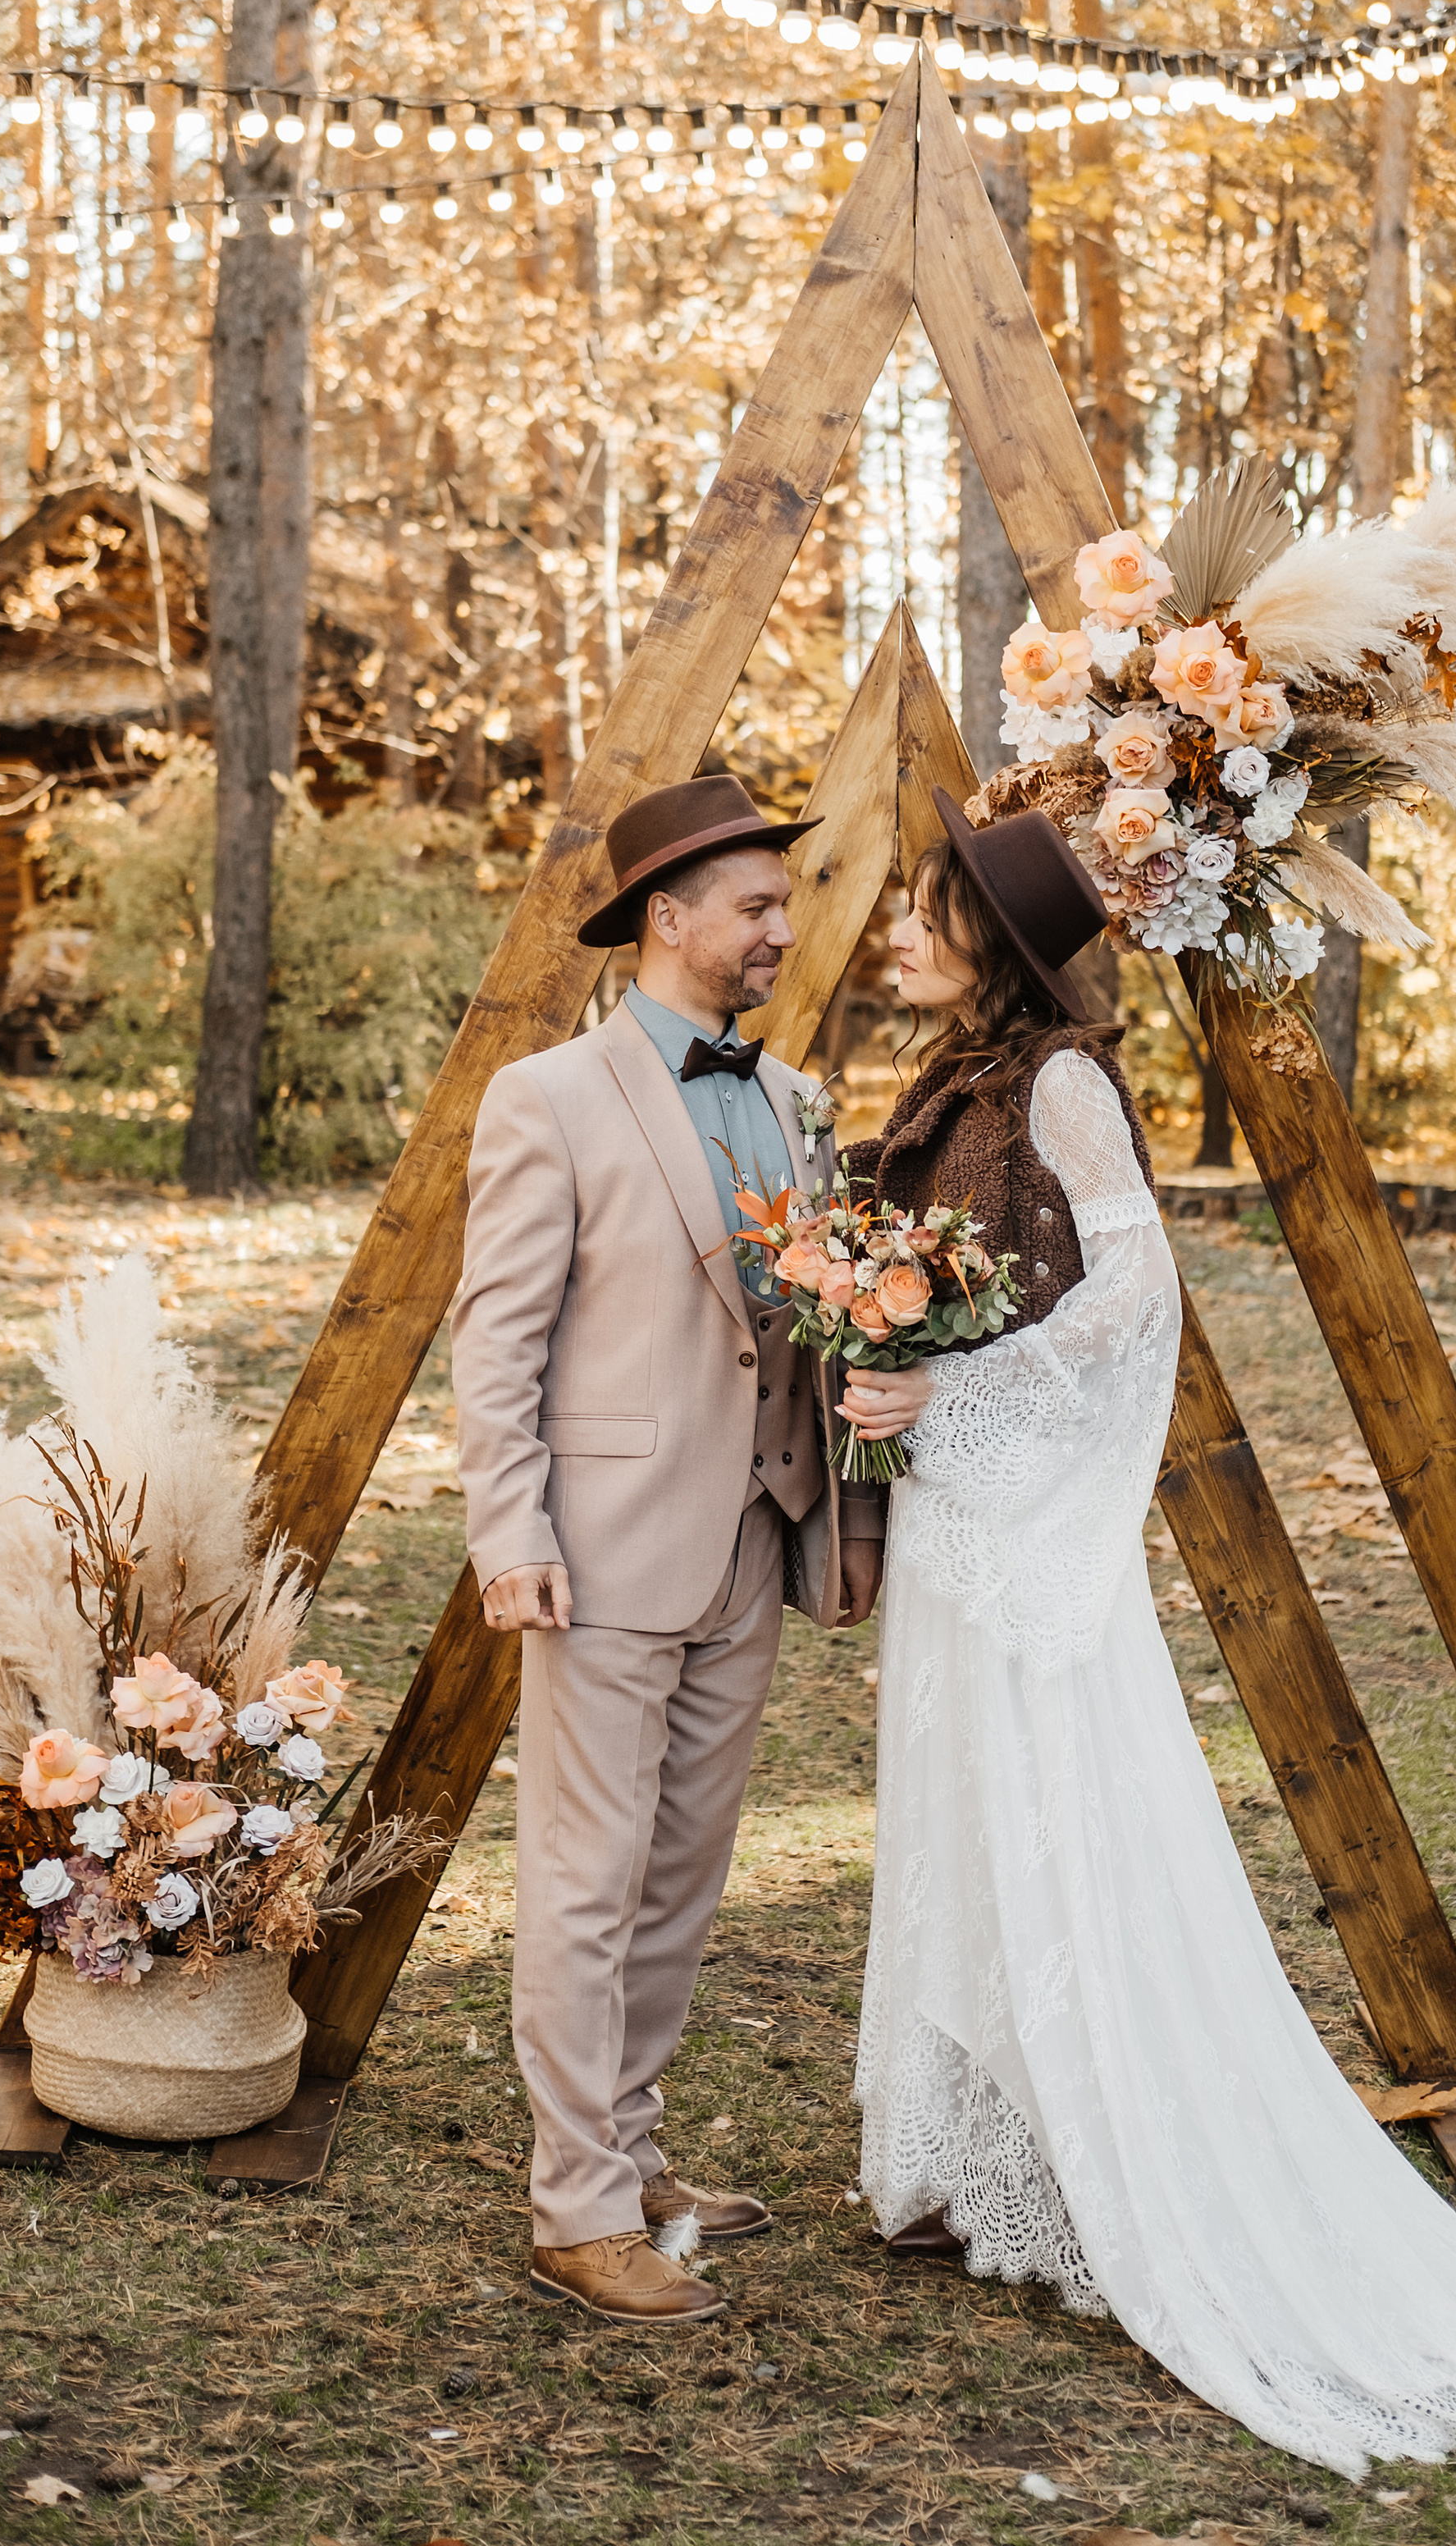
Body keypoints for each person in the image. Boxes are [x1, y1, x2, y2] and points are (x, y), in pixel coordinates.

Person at [841, 788, 1456, 2480]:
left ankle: (1107, 2153)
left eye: (917, 913)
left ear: (989, 945)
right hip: (955, 1511)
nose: (890, 936)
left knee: (1050, 1815)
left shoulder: (1064, 1082)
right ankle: (979, 2151)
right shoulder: (951, 1081)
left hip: (1018, 1513)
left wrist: (956, 1383)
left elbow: (1134, 1296)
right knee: (959, 1818)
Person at [454, 772, 886, 2326]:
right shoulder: (548, 1099)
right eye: (759, 908)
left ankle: (628, 2158)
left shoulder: (785, 1103)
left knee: (681, 1881)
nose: (784, 931)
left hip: (752, 1546)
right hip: (602, 1548)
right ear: (670, 917)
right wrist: (510, 1531)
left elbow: (800, 1320)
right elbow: (496, 1341)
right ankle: (572, 2213)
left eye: (786, 904)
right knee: (585, 1878)